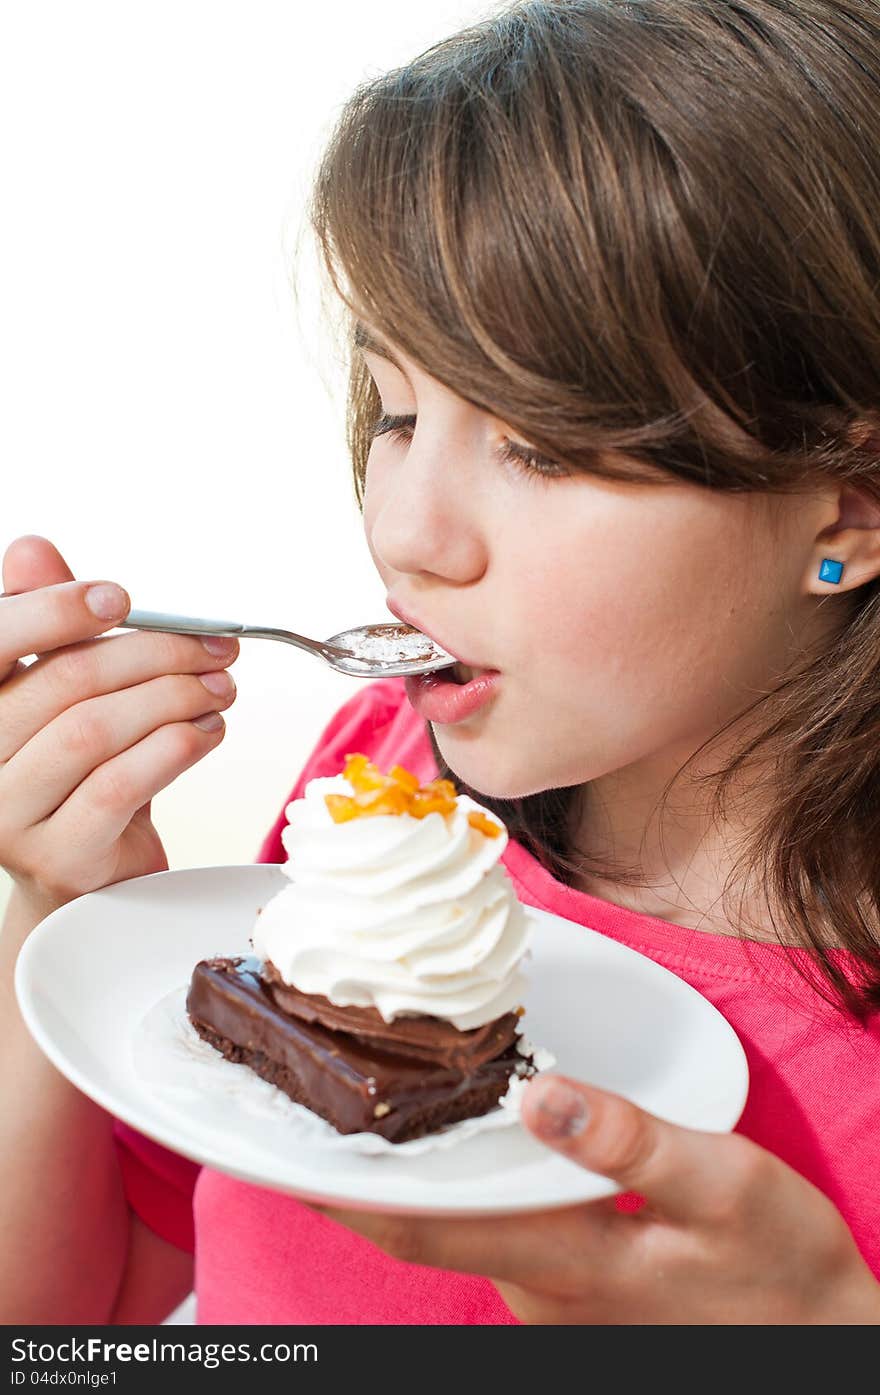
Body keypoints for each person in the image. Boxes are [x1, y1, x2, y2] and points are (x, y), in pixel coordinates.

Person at [3, 0, 880, 1325]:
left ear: (849, 507)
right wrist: (66, 909)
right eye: (399, 413)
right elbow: (94, 1320)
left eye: (539, 442)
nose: (405, 536)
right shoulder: (387, 789)